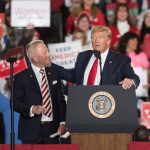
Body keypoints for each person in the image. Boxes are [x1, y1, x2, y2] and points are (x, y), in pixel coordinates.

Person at [13, 40, 66, 144]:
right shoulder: (21, 77)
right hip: (31, 133)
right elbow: (14, 103)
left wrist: (63, 122)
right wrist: (32, 109)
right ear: (35, 58)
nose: (49, 55)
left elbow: (61, 101)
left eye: (48, 51)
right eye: (45, 52)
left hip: (53, 131)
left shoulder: (54, 73)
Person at [55, 25, 140, 89]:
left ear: (108, 40)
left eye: (100, 37)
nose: (96, 40)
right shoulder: (83, 56)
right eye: (93, 37)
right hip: (82, 103)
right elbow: (72, 75)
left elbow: (133, 77)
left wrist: (130, 81)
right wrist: (49, 65)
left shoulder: (120, 60)